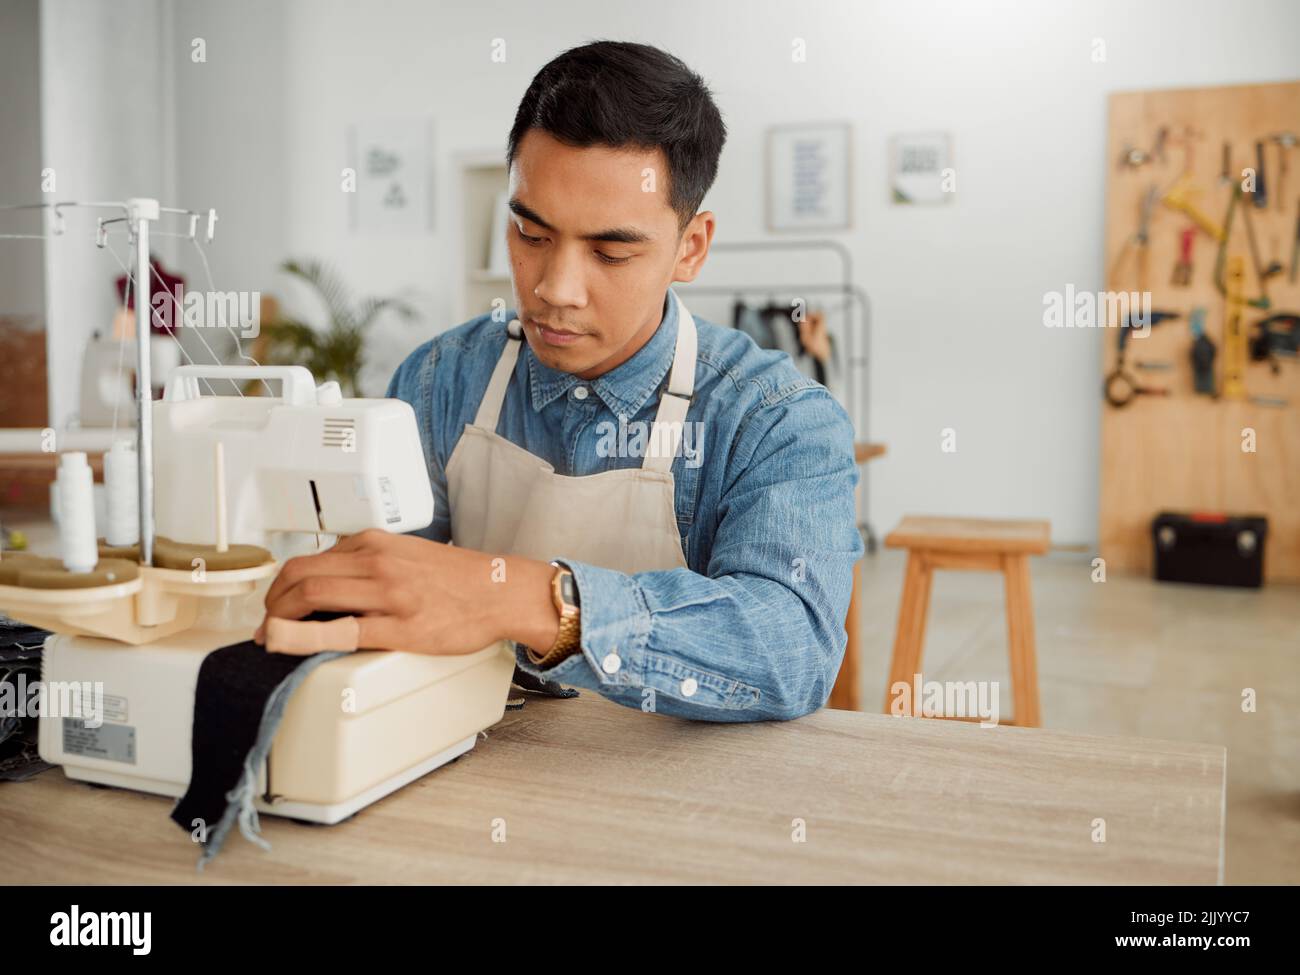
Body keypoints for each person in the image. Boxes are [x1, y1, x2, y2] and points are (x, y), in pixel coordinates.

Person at [256, 40, 863, 721]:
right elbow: (379, 594)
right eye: (530, 233)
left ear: (689, 247)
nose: (554, 288)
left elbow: (790, 649)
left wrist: (521, 599)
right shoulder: (438, 381)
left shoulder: (776, 418)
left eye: (609, 251)